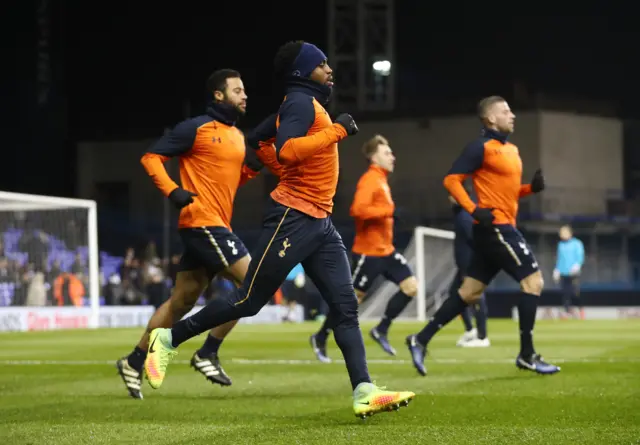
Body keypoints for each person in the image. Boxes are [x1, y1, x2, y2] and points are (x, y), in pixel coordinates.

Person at [143, 40, 415, 419]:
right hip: (293, 217)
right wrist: (336, 132)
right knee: (249, 300)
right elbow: (287, 149)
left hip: (320, 221)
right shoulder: (302, 103)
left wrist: (281, 161)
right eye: (322, 64)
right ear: (304, 72)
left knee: (345, 307)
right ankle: (168, 338)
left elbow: (259, 140)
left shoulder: (303, 105)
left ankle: (364, 391)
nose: (330, 70)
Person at [116, 69, 280, 399]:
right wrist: (172, 190)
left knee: (181, 301)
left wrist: (251, 169)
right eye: (237, 90)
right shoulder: (195, 128)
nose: (244, 95)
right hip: (203, 222)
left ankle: (134, 361)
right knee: (254, 285)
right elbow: (151, 158)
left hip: (214, 224)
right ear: (218, 95)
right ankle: (208, 351)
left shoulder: (235, 135)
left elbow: (228, 180)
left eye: (244, 90)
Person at [406, 95, 560, 376]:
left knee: (469, 292)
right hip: (497, 228)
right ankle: (527, 354)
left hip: (498, 227)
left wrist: (530, 189)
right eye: (505, 110)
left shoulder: (511, 150)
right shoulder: (479, 147)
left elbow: (508, 192)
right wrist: (474, 210)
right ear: (490, 118)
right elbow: (451, 180)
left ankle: (420, 339)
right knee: (533, 281)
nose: (512, 115)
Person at [310, 135, 418, 361]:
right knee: (351, 301)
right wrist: (388, 213)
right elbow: (357, 210)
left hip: (386, 251)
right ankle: (321, 336)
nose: (393, 156)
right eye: (387, 153)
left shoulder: (381, 180)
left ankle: (381, 329)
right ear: (374, 157)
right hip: (368, 254)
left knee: (411, 287)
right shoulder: (369, 180)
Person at [448, 194, 490, 348]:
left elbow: (475, 239)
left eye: (453, 195)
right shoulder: (461, 215)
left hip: (470, 265)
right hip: (463, 266)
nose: (450, 199)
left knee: (475, 296)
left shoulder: (465, 216)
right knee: (454, 294)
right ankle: (470, 330)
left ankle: (482, 336)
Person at [553, 224, 585, 319]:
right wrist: (557, 270)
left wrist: (577, 265)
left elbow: (580, 256)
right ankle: (567, 312)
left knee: (575, 292)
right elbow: (559, 259)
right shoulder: (560, 245)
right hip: (563, 272)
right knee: (565, 293)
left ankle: (580, 310)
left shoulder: (577, 243)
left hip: (573, 272)